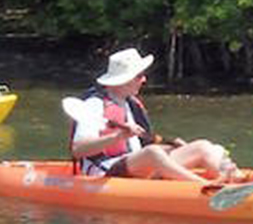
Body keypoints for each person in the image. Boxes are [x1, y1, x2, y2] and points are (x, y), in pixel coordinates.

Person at [66, 48, 236, 183]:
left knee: (202, 146)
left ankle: (236, 180)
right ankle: (204, 187)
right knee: (153, 153)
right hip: (105, 171)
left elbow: (143, 144)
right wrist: (117, 137)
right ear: (123, 80)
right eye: (139, 76)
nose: (144, 79)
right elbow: (79, 150)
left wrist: (171, 145)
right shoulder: (94, 105)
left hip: (138, 165)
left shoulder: (130, 104)